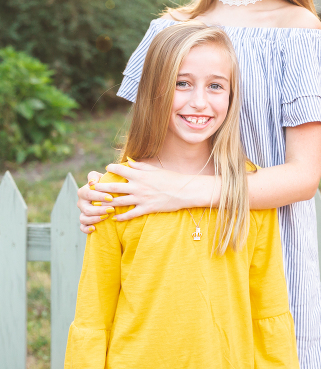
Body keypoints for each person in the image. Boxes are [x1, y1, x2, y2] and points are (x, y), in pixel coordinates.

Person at [76, 0, 321, 369]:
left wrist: (187, 193)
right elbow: (146, 144)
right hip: (173, 247)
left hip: (261, 238)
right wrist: (106, 189)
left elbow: (302, 176)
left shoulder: (296, 30)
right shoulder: (169, 29)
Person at [65, 22, 298, 368]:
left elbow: (269, 310)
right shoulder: (118, 191)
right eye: (182, 83)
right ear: (154, 90)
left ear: (232, 96)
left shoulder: (249, 190)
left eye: (216, 86)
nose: (199, 102)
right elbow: (93, 316)